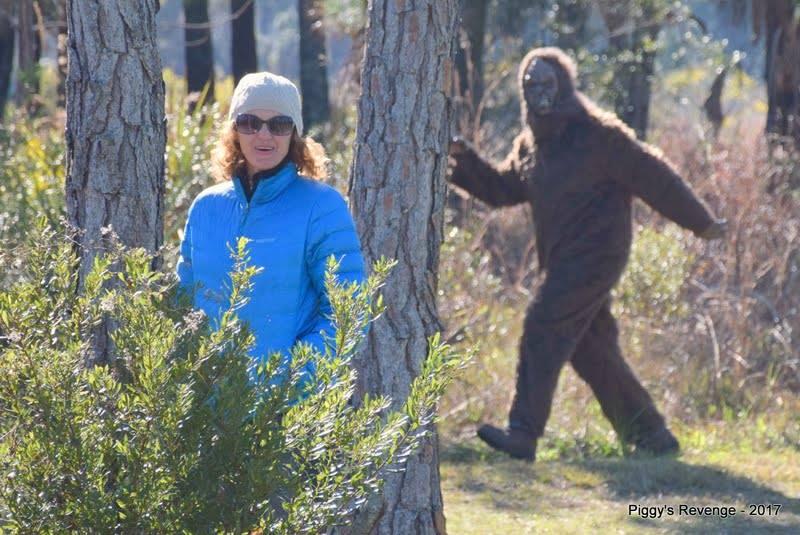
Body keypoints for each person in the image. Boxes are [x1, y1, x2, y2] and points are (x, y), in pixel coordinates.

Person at [448, 47, 726, 461]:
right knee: (590, 348)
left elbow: (654, 176)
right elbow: (502, 189)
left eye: (546, 83)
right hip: (561, 261)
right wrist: (460, 159)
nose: (538, 92)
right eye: (531, 85)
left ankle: (523, 432)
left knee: (543, 323)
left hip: (598, 256)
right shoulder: (531, 146)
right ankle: (650, 435)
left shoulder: (599, 135)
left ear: (565, 85)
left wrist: (701, 222)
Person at [176, 71, 364, 380]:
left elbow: (349, 312)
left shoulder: (321, 206)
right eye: (250, 122)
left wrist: (292, 384)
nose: (264, 136)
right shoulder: (205, 207)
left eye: (278, 125)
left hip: (286, 415)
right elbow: (182, 303)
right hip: (205, 413)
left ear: (294, 134)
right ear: (234, 130)